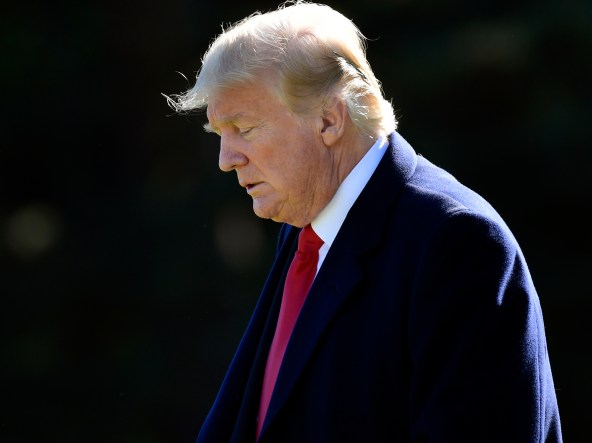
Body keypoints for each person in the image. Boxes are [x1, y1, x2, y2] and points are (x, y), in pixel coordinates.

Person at [165, 1, 562, 441]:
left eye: (245, 128)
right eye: (220, 135)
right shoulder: (304, 234)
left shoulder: (456, 241)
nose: (226, 160)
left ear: (330, 119)